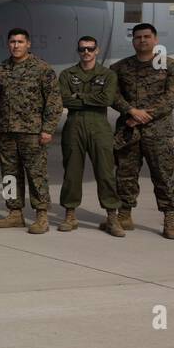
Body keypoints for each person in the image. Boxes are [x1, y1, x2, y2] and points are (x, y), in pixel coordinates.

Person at [112, 22, 174, 239]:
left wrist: (145, 116)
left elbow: (172, 97)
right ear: (133, 41)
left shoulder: (171, 67)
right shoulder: (120, 68)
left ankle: (169, 218)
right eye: (138, 37)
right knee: (125, 175)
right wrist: (130, 111)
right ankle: (124, 213)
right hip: (128, 132)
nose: (142, 40)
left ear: (155, 40)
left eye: (146, 37)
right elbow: (113, 95)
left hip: (158, 132)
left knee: (163, 176)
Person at [0, 28, 62, 234]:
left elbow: (54, 101)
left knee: (36, 174)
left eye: (20, 42)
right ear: (8, 44)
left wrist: (48, 129)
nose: (16, 45)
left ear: (28, 44)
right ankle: (14, 212)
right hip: (6, 132)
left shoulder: (42, 69)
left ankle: (41, 214)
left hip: (32, 132)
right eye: (12, 42)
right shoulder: (0, 70)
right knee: (9, 175)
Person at [55, 36, 124, 236]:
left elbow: (107, 99)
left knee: (105, 172)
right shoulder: (68, 74)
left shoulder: (108, 75)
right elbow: (65, 100)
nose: (86, 53)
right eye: (82, 49)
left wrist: (79, 97)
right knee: (71, 173)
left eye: (90, 49)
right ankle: (70, 214)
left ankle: (112, 216)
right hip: (74, 126)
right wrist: (87, 99)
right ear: (78, 50)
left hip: (99, 126)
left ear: (97, 50)